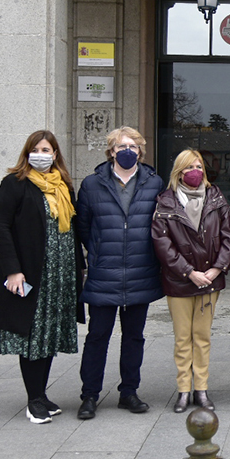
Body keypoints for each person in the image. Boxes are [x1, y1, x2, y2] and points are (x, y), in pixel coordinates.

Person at [0, 131, 83, 424]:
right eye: (36, 149)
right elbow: (0, 226)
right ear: (27, 153)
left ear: (56, 154)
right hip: (31, 273)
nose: (42, 154)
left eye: (47, 149)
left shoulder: (64, 186)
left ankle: (42, 394)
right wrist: (12, 269)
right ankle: (33, 400)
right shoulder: (15, 184)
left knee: (48, 336)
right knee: (32, 337)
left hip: (61, 275)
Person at [76, 127, 164, 420]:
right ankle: (89, 395)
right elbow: (84, 228)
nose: (128, 151)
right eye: (121, 146)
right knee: (98, 336)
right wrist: (99, 251)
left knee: (134, 337)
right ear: (111, 150)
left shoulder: (154, 183)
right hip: (105, 272)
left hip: (140, 271)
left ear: (141, 150)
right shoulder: (91, 184)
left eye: (134, 146)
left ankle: (129, 392)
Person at [151, 150, 230, 413]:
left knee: (202, 337)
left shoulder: (216, 198)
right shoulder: (165, 202)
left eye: (199, 166)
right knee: (182, 339)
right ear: (179, 171)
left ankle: (201, 389)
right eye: (190, 166)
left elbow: (228, 237)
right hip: (179, 281)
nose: (196, 171)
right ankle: (183, 390)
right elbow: (162, 244)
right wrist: (189, 272)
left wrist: (217, 269)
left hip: (210, 280)